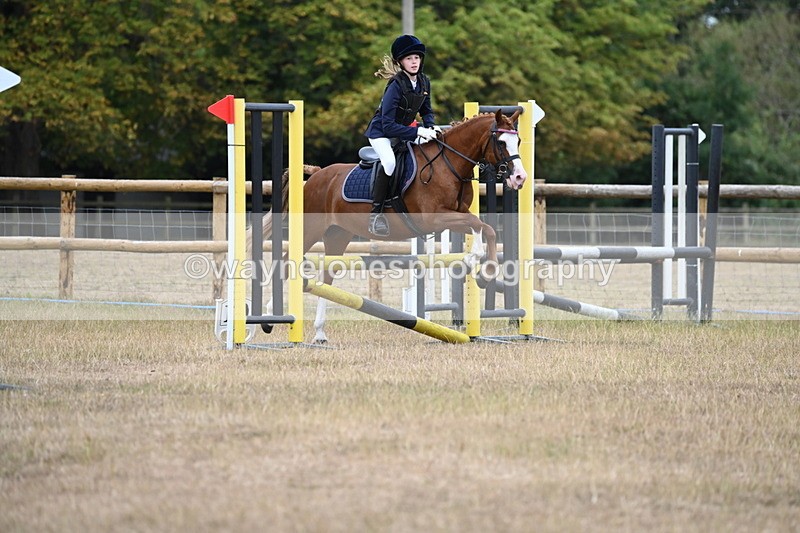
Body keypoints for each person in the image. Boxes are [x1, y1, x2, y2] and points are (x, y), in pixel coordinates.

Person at [363, 34, 439, 236]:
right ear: (401, 62)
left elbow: (426, 111)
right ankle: (376, 215)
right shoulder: (395, 86)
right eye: (408, 59)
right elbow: (388, 125)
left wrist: (430, 127)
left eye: (416, 58)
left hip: (404, 132)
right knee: (389, 162)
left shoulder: (424, 82)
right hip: (381, 133)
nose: (414, 62)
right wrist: (417, 131)